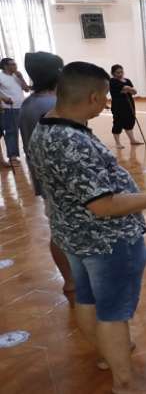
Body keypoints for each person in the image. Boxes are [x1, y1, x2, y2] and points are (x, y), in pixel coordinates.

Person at [28, 61, 146, 394]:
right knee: (113, 313)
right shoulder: (74, 143)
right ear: (93, 96)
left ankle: (106, 356)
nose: (106, 104)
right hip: (106, 242)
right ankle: (125, 383)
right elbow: (104, 205)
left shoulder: (45, 126)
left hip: (73, 236)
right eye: (104, 99)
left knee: (87, 299)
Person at [19, 51, 75, 298]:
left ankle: (71, 280)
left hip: (47, 180)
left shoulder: (30, 103)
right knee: (65, 231)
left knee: (58, 229)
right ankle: (74, 281)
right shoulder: (51, 106)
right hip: (63, 183)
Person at [0, 57, 31, 166]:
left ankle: (29, 152)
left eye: (15, 63)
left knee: (25, 131)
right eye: (12, 64)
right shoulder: (1, 76)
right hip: (9, 109)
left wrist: (21, 78)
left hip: (22, 107)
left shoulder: (16, 75)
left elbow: (26, 89)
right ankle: (13, 157)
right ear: (5, 66)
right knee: (12, 133)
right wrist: (3, 98)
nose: (15, 66)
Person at [109, 65, 143, 149]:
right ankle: (117, 143)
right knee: (118, 122)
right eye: (118, 72)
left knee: (130, 120)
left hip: (129, 104)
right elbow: (125, 88)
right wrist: (127, 89)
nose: (120, 74)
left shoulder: (127, 80)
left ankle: (132, 140)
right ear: (113, 73)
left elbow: (134, 92)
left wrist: (128, 89)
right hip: (118, 105)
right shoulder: (112, 81)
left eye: (121, 72)